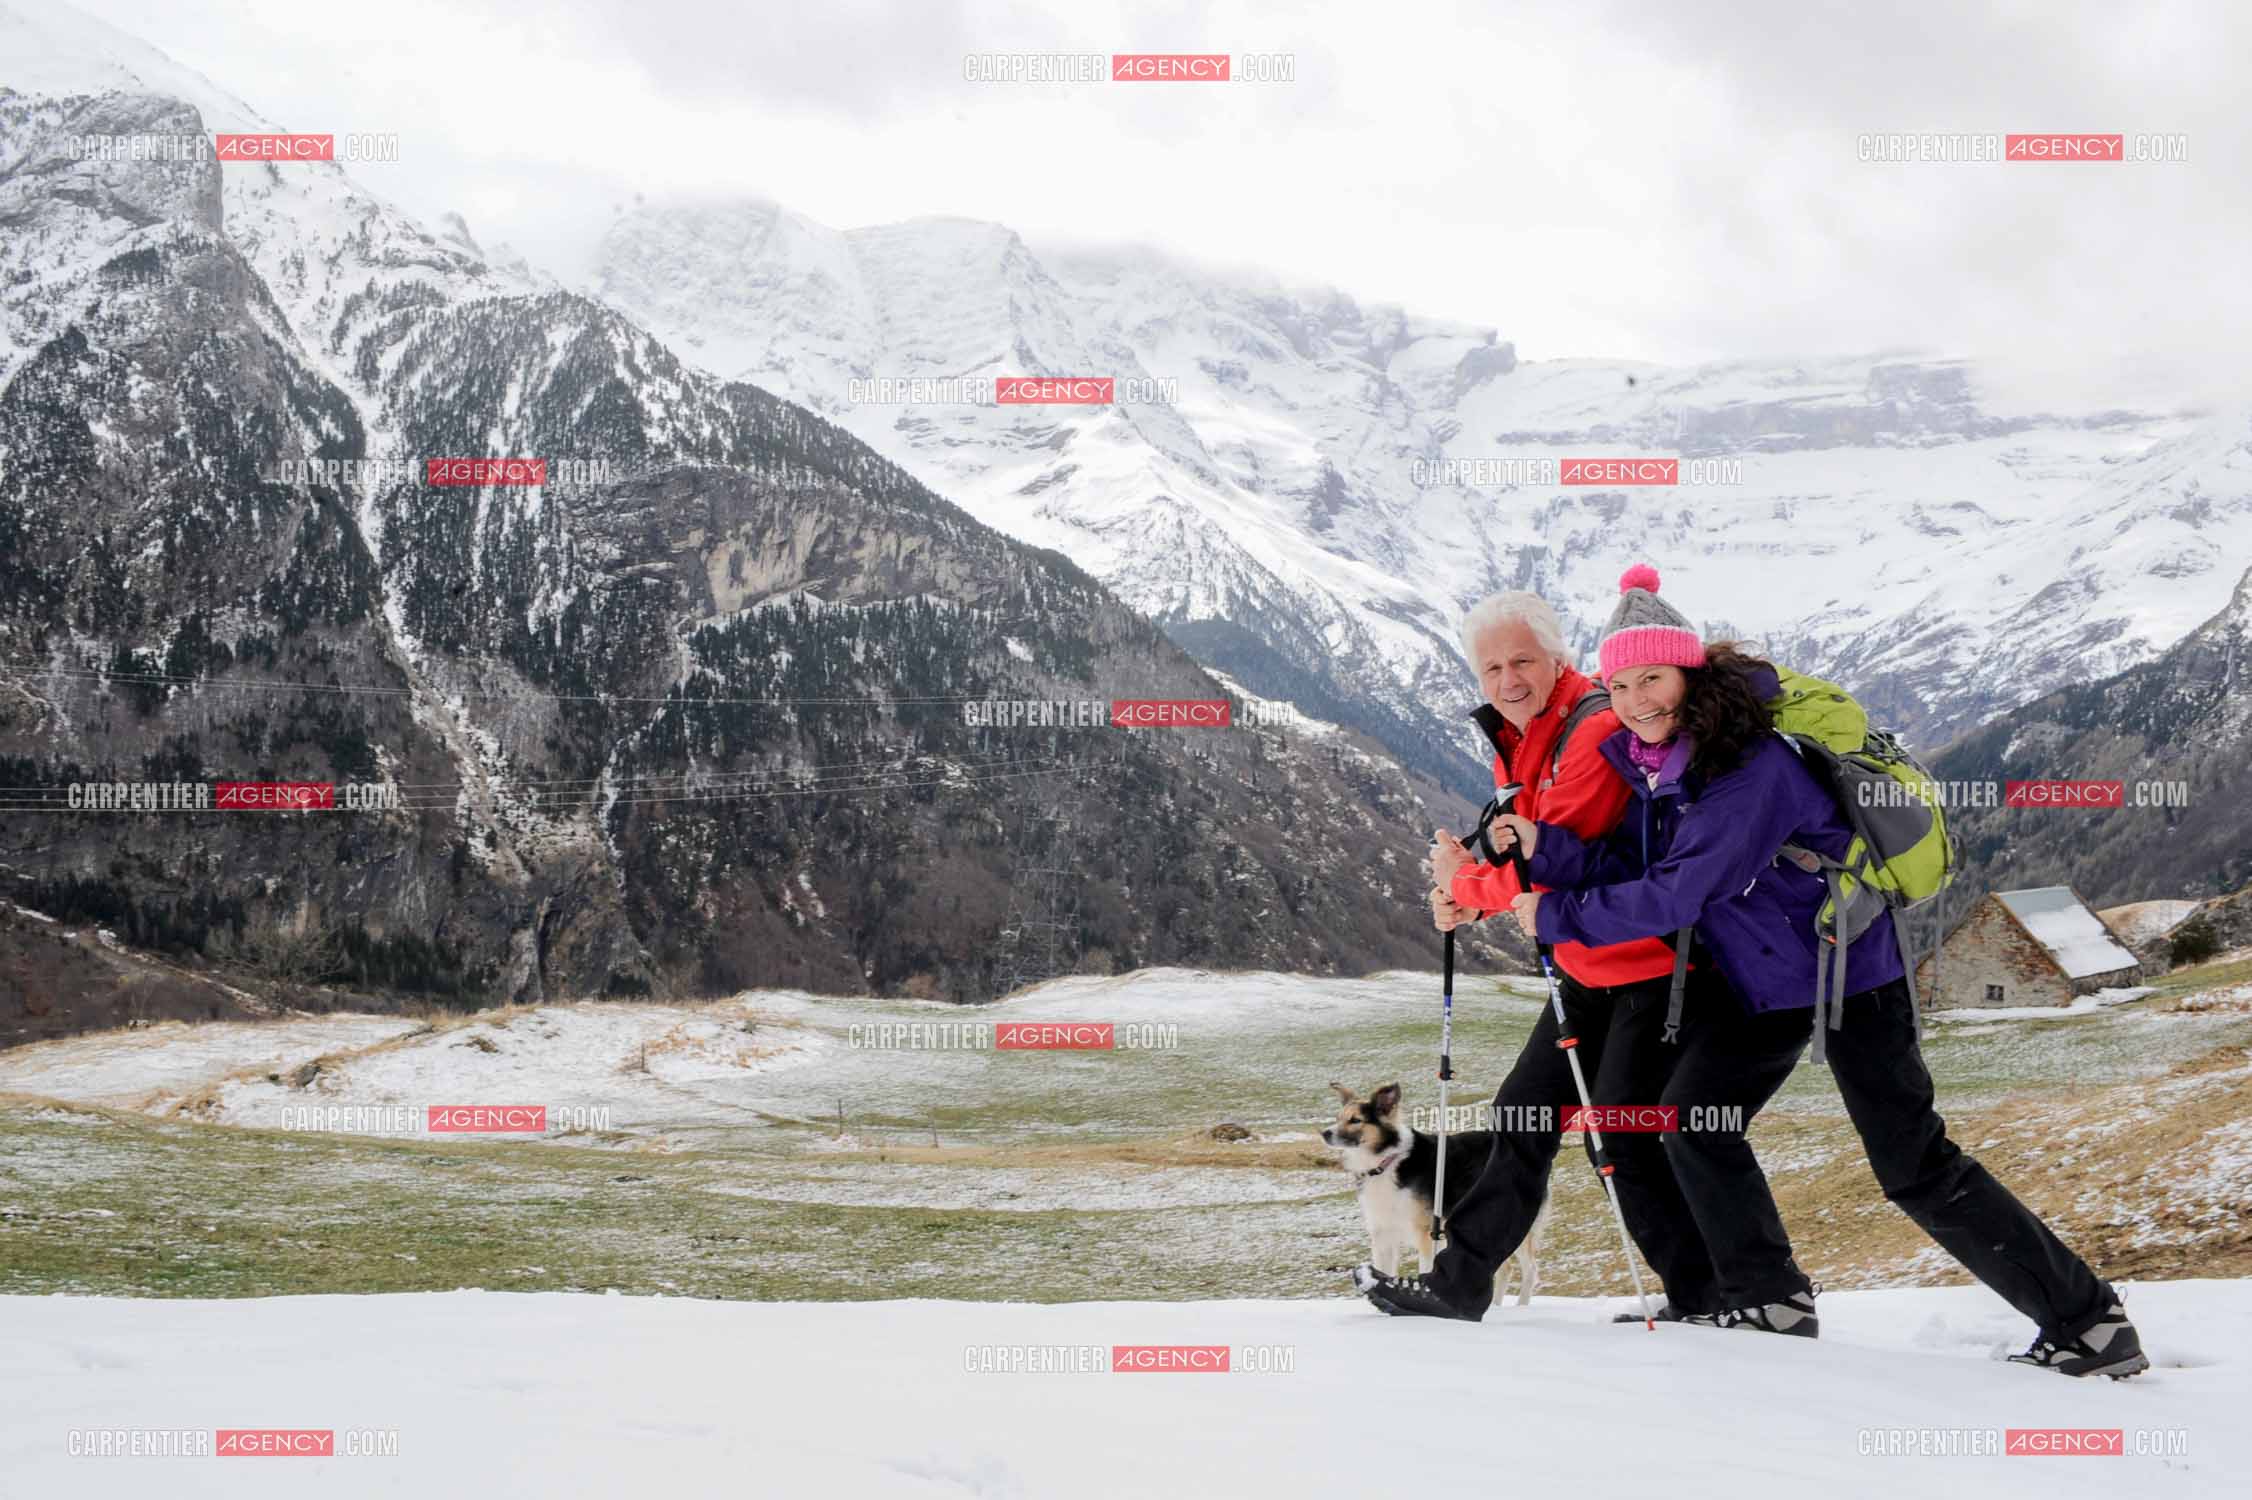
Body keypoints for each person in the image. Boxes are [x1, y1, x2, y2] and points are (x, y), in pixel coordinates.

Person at [1493, 564, 2147, 1377]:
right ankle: (1768, 1297)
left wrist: (1553, 915)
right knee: (1688, 1121)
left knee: (1912, 1163)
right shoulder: (1664, 762)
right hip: (1761, 983)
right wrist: (1544, 847)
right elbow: (1642, 855)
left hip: (1852, 979)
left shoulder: (1750, 769)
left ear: (1691, 674)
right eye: (1620, 683)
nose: (1635, 700)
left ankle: (2088, 1323)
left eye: (1652, 677)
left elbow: (1682, 888)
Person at [1353, 590, 1736, 1326]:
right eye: (1490, 667)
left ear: (1557, 658)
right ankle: (1458, 1283)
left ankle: (1712, 1291)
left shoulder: (1590, 730)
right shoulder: (1527, 733)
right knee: (1522, 1119)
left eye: (1521, 660)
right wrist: (1462, 889)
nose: (1507, 680)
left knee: (1617, 1139)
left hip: (1649, 970)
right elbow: (1512, 843)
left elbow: (1550, 862)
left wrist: (1462, 888)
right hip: (1590, 968)